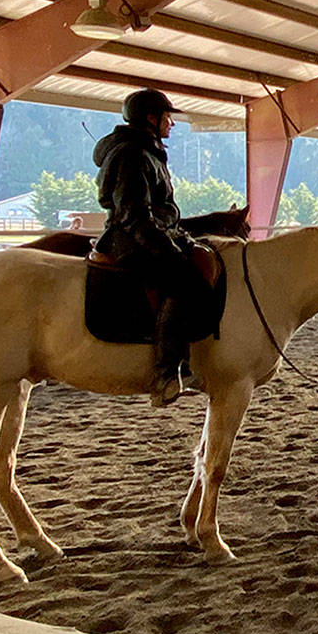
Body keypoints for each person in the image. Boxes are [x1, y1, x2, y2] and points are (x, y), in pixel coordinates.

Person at [93, 88, 200, 406]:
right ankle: (167, 372)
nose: (172, 124)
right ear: (152, 119)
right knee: (184, 284)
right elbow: (134, 213)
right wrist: (167, 248)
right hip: (132, 240)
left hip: (141, 234)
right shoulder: (133, 155)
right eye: (168, 117)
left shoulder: (145, 151)